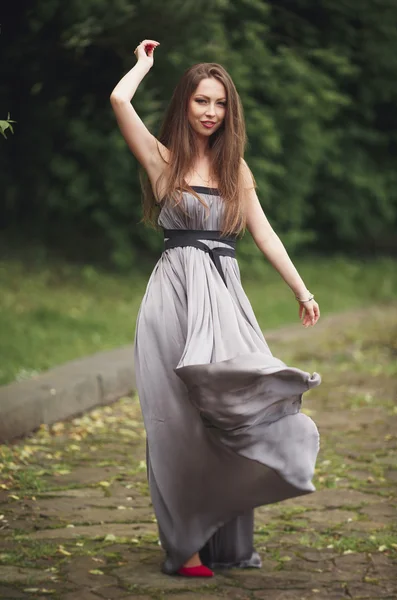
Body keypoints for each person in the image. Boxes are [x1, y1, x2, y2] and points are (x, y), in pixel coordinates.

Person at [110, 39, 321, 579]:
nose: (211, 112)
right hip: (173, 297)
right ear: (186, 104)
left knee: (229, 413)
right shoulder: (163, 158)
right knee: (176, 421)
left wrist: (302, 290)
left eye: (220, 103)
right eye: (202, 101)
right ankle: (186, 547)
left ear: (230, 111)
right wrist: (142, 67)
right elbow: (118, 101)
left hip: (225, 299)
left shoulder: (236, 168)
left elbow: (266, 234)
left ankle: (224, 540)